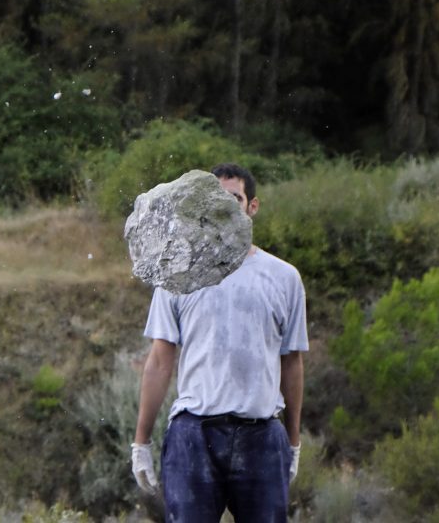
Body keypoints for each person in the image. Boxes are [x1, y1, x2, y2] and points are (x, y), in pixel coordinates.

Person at [131, 163, 308, 523]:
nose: (226, 207)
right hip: (194, 434)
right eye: (217, 199)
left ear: (252, 206)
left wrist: (293, 442)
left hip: (261, 434)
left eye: (234, 199)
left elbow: (292, 363)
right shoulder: (178, 271)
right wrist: (141, 442)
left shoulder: (283, 277)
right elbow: (160, 362)